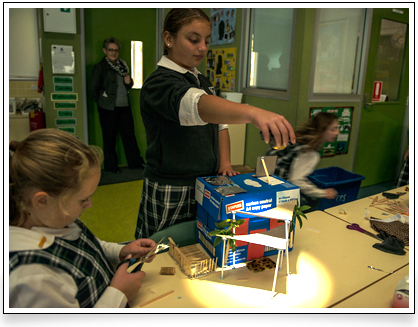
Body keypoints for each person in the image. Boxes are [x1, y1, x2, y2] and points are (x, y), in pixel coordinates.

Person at [135, 8, 295, 239]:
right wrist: (252, 113)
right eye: (193, 40)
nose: (203, 48)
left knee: (201, 241)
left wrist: (225, 162)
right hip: (173, 185)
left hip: (208, 182)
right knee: (159, 247)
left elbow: (220, 124)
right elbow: (195, 105)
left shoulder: (202, 80)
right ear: (168, 38)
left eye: (207, 41)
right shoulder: (159, 82)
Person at [9, 129, 157, 308]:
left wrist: (119, 251)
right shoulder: (32, 277)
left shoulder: (54, 216)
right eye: (83, 199)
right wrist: (119, 294)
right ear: (42, 201)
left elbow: (85, 245)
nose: (90, 205)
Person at [89, 37, 145, 174]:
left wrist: (129, 81)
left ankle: (135, 163)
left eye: (116, 50)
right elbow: (92, 89)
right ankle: (111, 167)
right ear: (105, 50)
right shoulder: (100, 67)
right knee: (109, 138)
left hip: (124, 106)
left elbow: (129, 86)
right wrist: (103, 100)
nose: (113, 53)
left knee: (129, 136)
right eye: (110, 50)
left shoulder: (122, 65)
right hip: (108, 109)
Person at [266, 112, 339, 210]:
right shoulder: (309, 152)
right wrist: (323, 193)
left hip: (265, 181)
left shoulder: (297, 138)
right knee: (311, 200)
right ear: (322, 130)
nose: (337, 133)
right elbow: (296, 181)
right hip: (277, 191)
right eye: (333, 129)